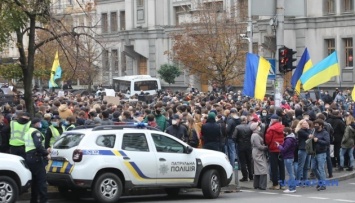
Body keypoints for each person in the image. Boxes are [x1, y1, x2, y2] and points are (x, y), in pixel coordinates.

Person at [24, 117, 50, 203]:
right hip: (36, 158)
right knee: (42, 181)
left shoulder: (28, 132)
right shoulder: (36, 132)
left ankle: (33, 200)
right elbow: (38, 145)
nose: (40, 124)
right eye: (39, 122)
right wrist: (46, 153)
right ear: (36, 124)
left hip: (29, 157)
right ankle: (44, 200)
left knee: (34, 181)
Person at [265, 114, 285, 190]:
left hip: (273, 149)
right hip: (281, 148)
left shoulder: (271, 129)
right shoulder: (282, 127)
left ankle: (275, 184)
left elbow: (268, 140)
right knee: (281, 167)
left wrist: (269, 145)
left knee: (274, 168)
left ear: (272, 120)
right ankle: (282, 184)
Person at [309, 119, 330, 191]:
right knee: (313, 168)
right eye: (314, 124)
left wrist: (318, 140)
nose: (315, 125)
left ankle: (323, 184)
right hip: (314, 152)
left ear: (321, 125)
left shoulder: (325, 133)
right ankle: (320, 181)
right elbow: (312, 139)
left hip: (321, 152)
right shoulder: (314, 131)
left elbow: (327, 142)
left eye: (316, 124)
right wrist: (311, 138)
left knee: (321, 168)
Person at [276, 127, 297, 193]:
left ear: (287, 132)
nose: (283, 133)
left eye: (284, 132)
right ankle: (292, 187)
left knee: (290, 173)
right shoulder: (292, 139)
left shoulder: (288, 140)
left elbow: (284, 149)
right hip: (290, 157)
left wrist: (278, 146)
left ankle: (292, 188)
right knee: (291, 173)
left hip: (288, 157)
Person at [233, 115, 253, 182]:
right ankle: (251, 175)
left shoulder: (238, 127)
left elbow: (234, 137)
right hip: (248, 145)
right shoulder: (249, 127)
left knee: (242, 162)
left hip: (241, 145)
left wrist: (237, 142)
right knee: (249, 161)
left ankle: (245, 176)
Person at [250, 122, 268, 190]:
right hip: (258, 152)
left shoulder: (254, 134)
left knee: (257, 168)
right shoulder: (256, 135)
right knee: (263, 168)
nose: (259, 127)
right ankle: (262, 185)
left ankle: (256, 185)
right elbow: (259, 146)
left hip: (256, 152)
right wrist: (266, 147)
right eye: (258, 126)